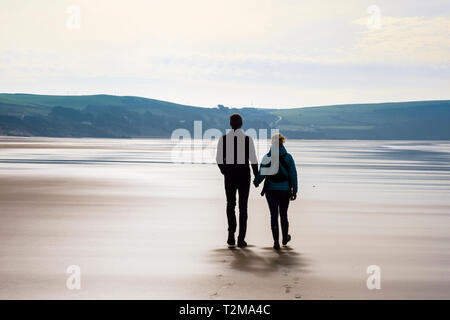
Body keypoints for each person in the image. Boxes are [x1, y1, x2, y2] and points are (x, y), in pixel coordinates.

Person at [216, 114, 258, 248]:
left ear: (230, 124)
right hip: (244, 175)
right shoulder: (247, 139)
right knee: (243, 207)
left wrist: (225, 171)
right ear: (241, 124)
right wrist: (257, 177)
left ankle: (231, 235)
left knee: (230, 205)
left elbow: (218, 159)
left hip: (230, 176)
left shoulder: (223, 139)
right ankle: (241, 239)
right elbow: (253, 160)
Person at [253, 134, 298, 250]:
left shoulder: (267, 157)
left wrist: (256, 182)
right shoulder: (288, 157)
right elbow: (293, 175)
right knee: (284, 214)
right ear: (282, 143)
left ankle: (276, 242)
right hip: (285, 190)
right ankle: (284, 238)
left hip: (271, 190)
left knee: (273, 215)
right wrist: (295, 191)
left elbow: (262, 173)